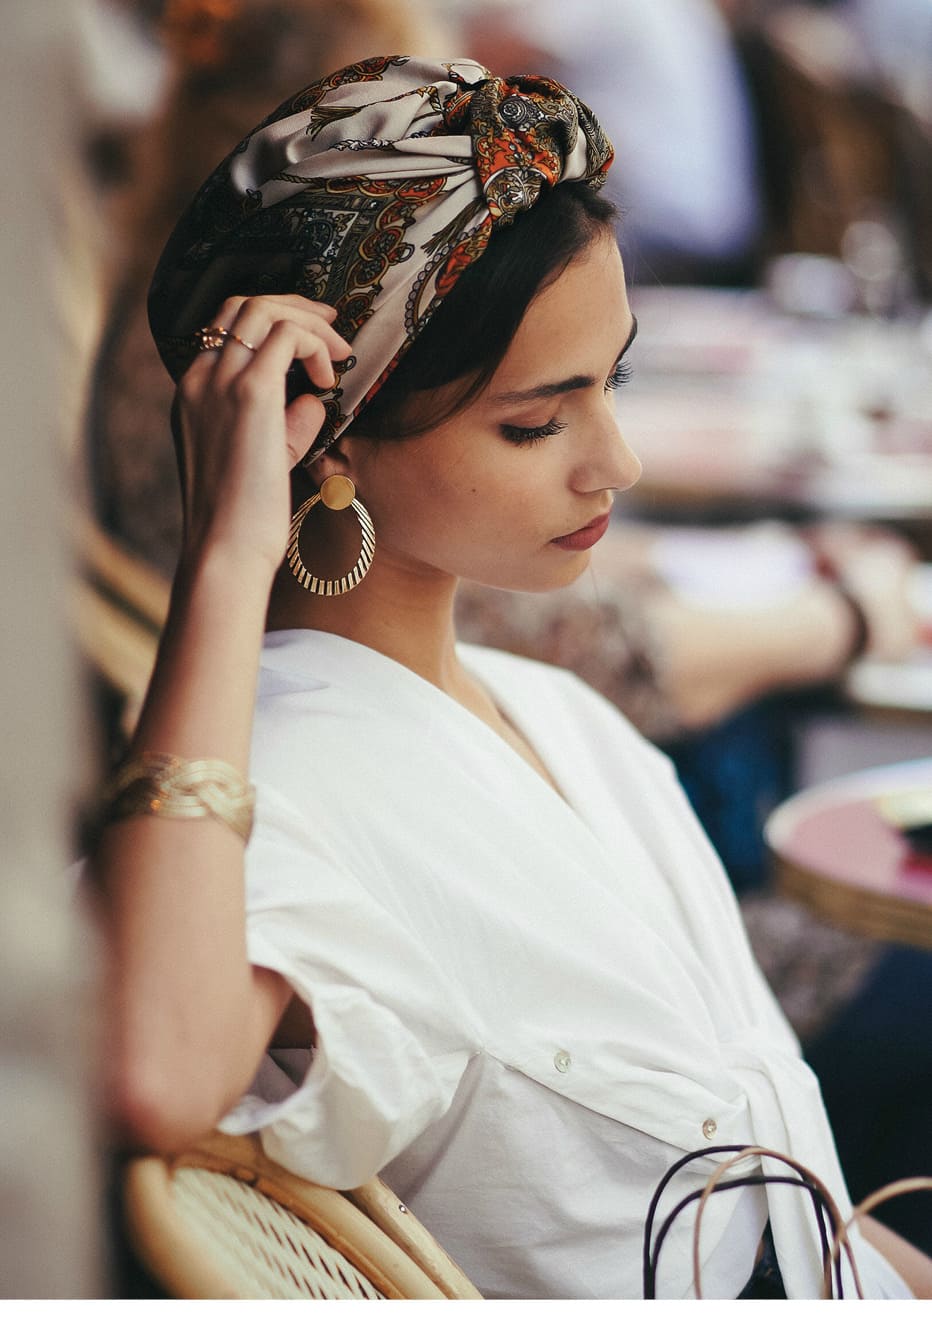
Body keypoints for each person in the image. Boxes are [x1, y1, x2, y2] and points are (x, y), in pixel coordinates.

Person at [93, 56, 931, 1299]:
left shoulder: (563, 721)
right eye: (537, 423)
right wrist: (230, 553)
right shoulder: (301, 798)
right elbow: (154, 1066)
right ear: (328, 438)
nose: (620, 462)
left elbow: (794, 1217)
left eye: (615, 381)